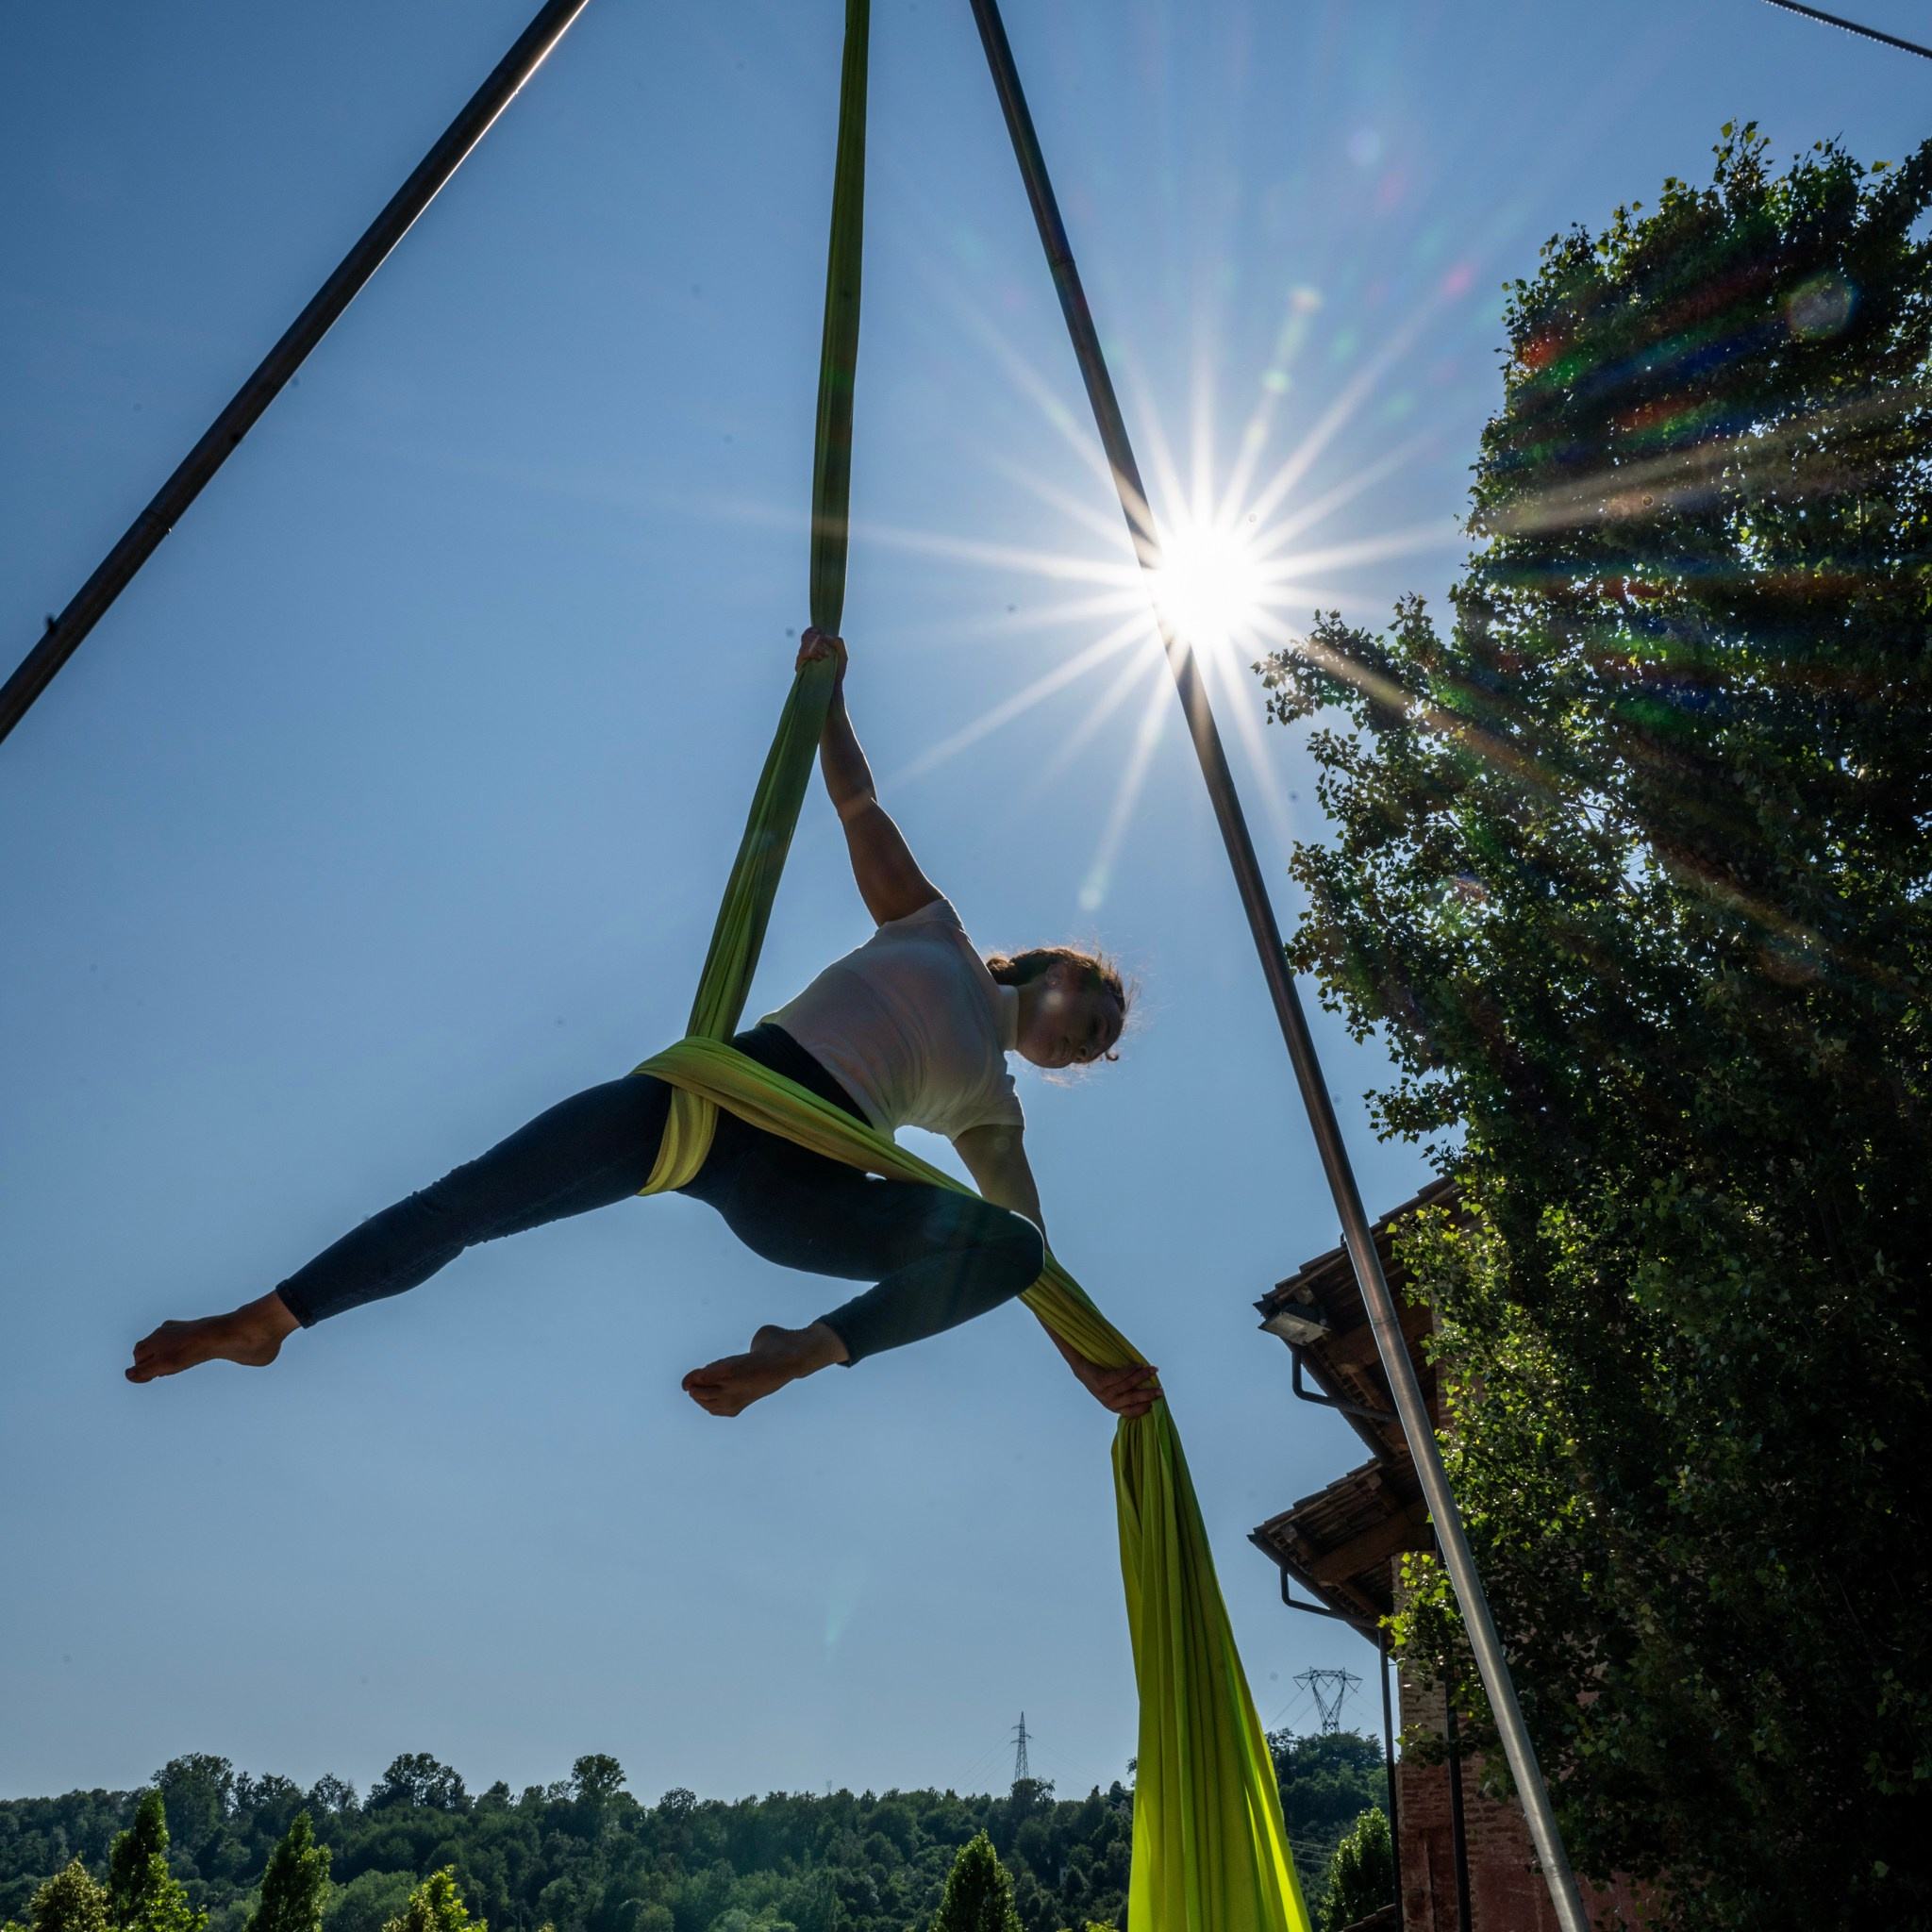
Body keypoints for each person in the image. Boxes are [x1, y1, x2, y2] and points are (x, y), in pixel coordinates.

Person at [126, 629, 1158, 1420]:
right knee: (468, 1202)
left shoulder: (991, 1108)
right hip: (700, 1103)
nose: (1085, 1038)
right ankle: (269, 1319)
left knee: (1010, 1246)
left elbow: (1029, 1256)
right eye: (1092, 1008)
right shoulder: (930, 927)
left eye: (1096, 1048)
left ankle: (804, 1349)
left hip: (800, 1190)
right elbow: (855, 805)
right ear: (1050, 965)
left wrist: (1086, 1355)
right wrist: (824, 698)